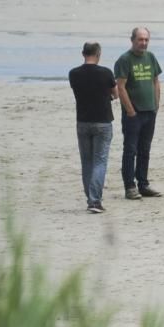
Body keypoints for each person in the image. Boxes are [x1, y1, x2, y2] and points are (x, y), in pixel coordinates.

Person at [114, 27, 162, 200]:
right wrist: (130, 110)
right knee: (130, 150)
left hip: (150, 111)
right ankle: (129, 186)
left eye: (146, 40)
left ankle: (143, 184)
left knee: (145, 149)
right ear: (132, 40)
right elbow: (120, 86)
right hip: (133, 114)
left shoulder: (151, 57)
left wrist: (156, 104)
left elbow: (156, 81)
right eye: (140, 40)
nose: (143, 43)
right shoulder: (125, 60)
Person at [69, 42, 117, 213]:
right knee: (100, 160)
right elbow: (115, 93)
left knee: (87, 161)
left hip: (82, 121)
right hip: (102, 121)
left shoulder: (73, 74)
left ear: (83, 54)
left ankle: (90, 198)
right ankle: (95, 201)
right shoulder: (105, 72)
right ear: (98, 54)